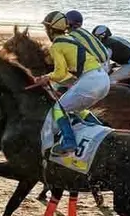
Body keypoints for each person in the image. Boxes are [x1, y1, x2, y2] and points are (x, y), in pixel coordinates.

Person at [27, 11, 111, 155]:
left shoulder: (56, 46)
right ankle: (103, 132)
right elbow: (69, 73)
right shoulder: (72, 40)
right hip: (103, 79)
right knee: (78, 109)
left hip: (90, 81)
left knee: (58, 109)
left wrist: (45, 78)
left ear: (50, 29)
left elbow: (59, 73)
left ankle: (69, 142)